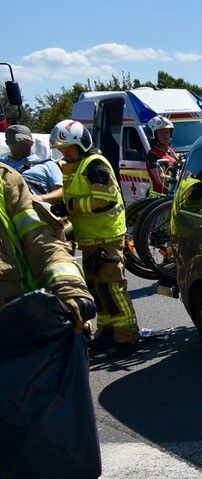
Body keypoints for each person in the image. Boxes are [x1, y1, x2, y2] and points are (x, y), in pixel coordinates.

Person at [0, 159, 96, 479]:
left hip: (18, 332)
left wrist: (70, 288)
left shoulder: (4, 179)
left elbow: (42, 238)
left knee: (29, 437)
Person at [48, 119, 140, 355]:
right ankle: (107, 334)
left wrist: (69, 206)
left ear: (82, 144)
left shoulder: (94, 165)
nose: (65, 153)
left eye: (68, 148)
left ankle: (127, 338)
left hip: (106, 239)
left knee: (113, 290)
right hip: (90, 240)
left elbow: (103, 200)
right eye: (62, 150)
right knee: (98, 292)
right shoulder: (74, 166)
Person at [4, 125, 63, 203]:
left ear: (31, 143)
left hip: (35, 208)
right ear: (7, 142)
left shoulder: (48, 165)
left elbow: (61, 192)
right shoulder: (2, 163)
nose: (16, 145)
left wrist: (40, 198)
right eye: (11, 141)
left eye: (21, 141)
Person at [144, 115, 180, 195]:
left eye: (167, 132)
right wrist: (180, 180)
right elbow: (161, 179)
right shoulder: (153, 155)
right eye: (161, 132)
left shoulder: (170, 151)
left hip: (174, 195)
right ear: (154, 135)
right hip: (161, 199)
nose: (165, 135)